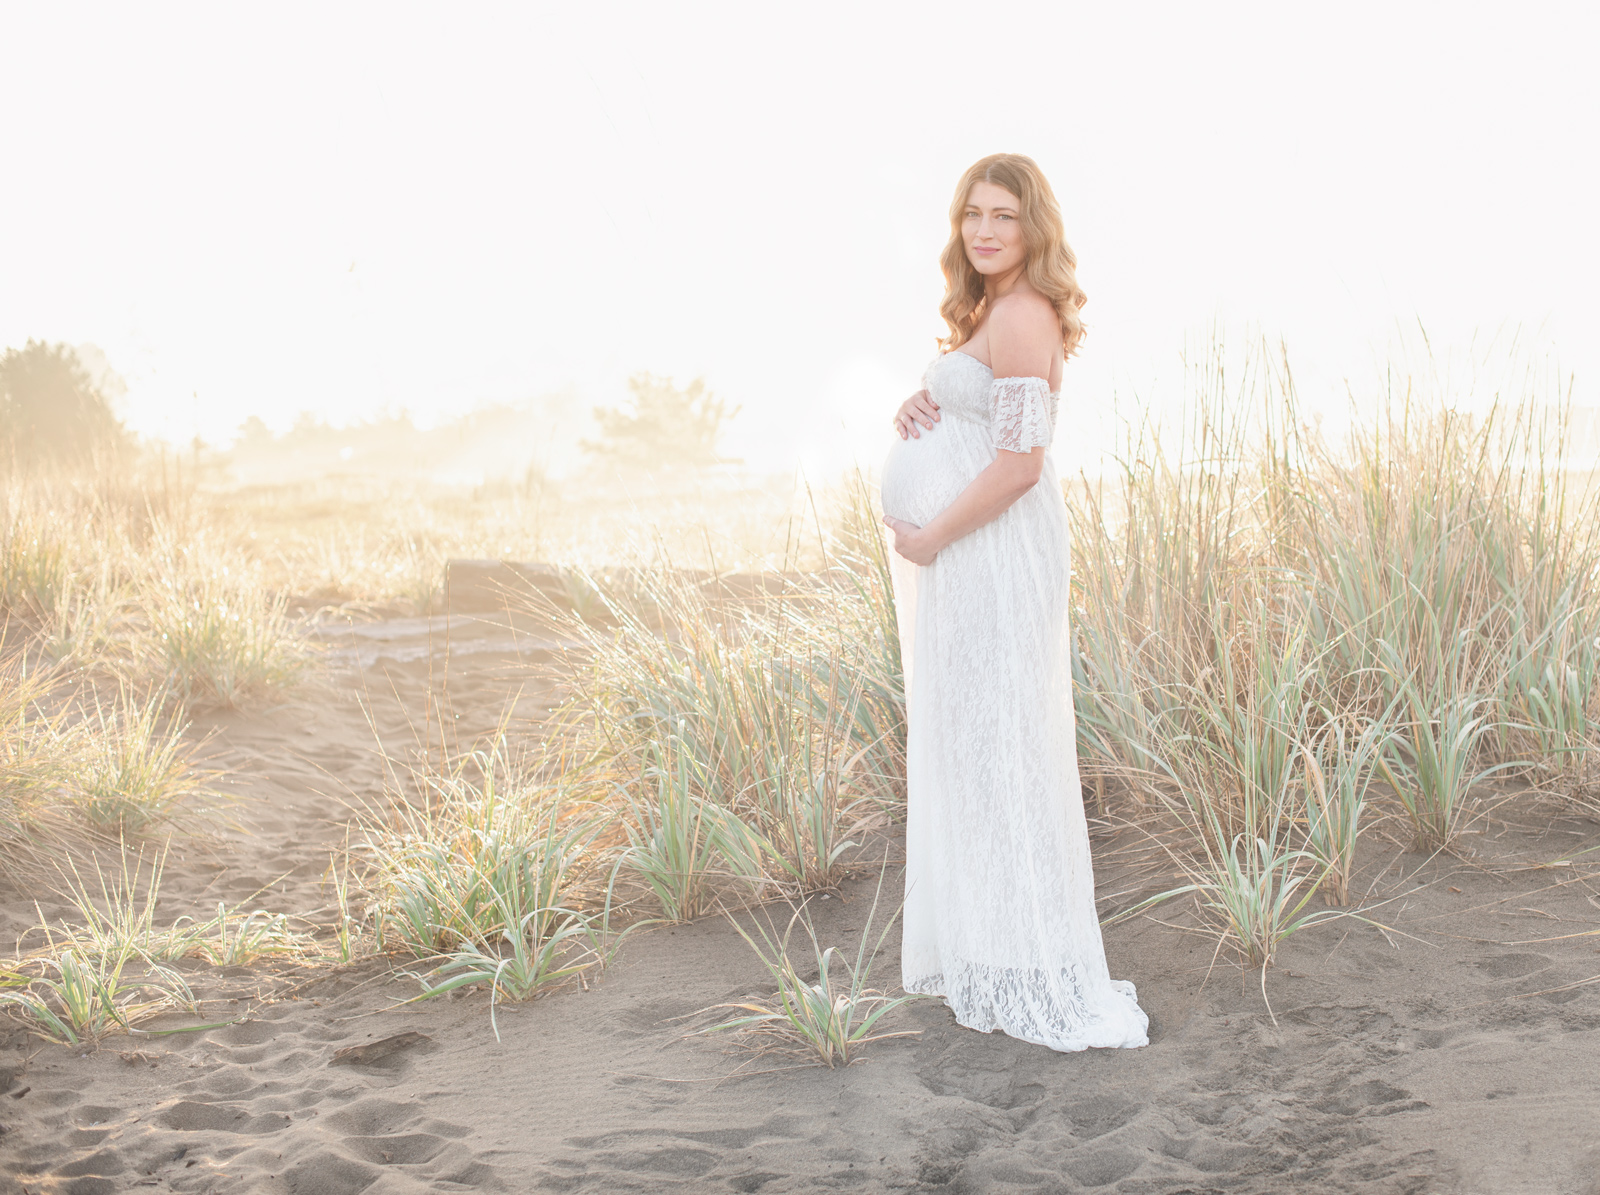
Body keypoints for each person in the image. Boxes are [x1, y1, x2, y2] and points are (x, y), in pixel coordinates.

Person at [879, 153, 1148, 1052]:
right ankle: (996, 947)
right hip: (971, 551)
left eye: (1005, 215)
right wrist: (931, 402)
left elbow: (1021, 464)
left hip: (989, 554)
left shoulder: (1027, 310)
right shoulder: (994, 312)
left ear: (1035, 228)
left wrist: (933, 536)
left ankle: (1028, 956)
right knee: (978, 745)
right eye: (973, 215)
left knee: (1001, 748)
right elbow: (986, 419)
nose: (986, 230)